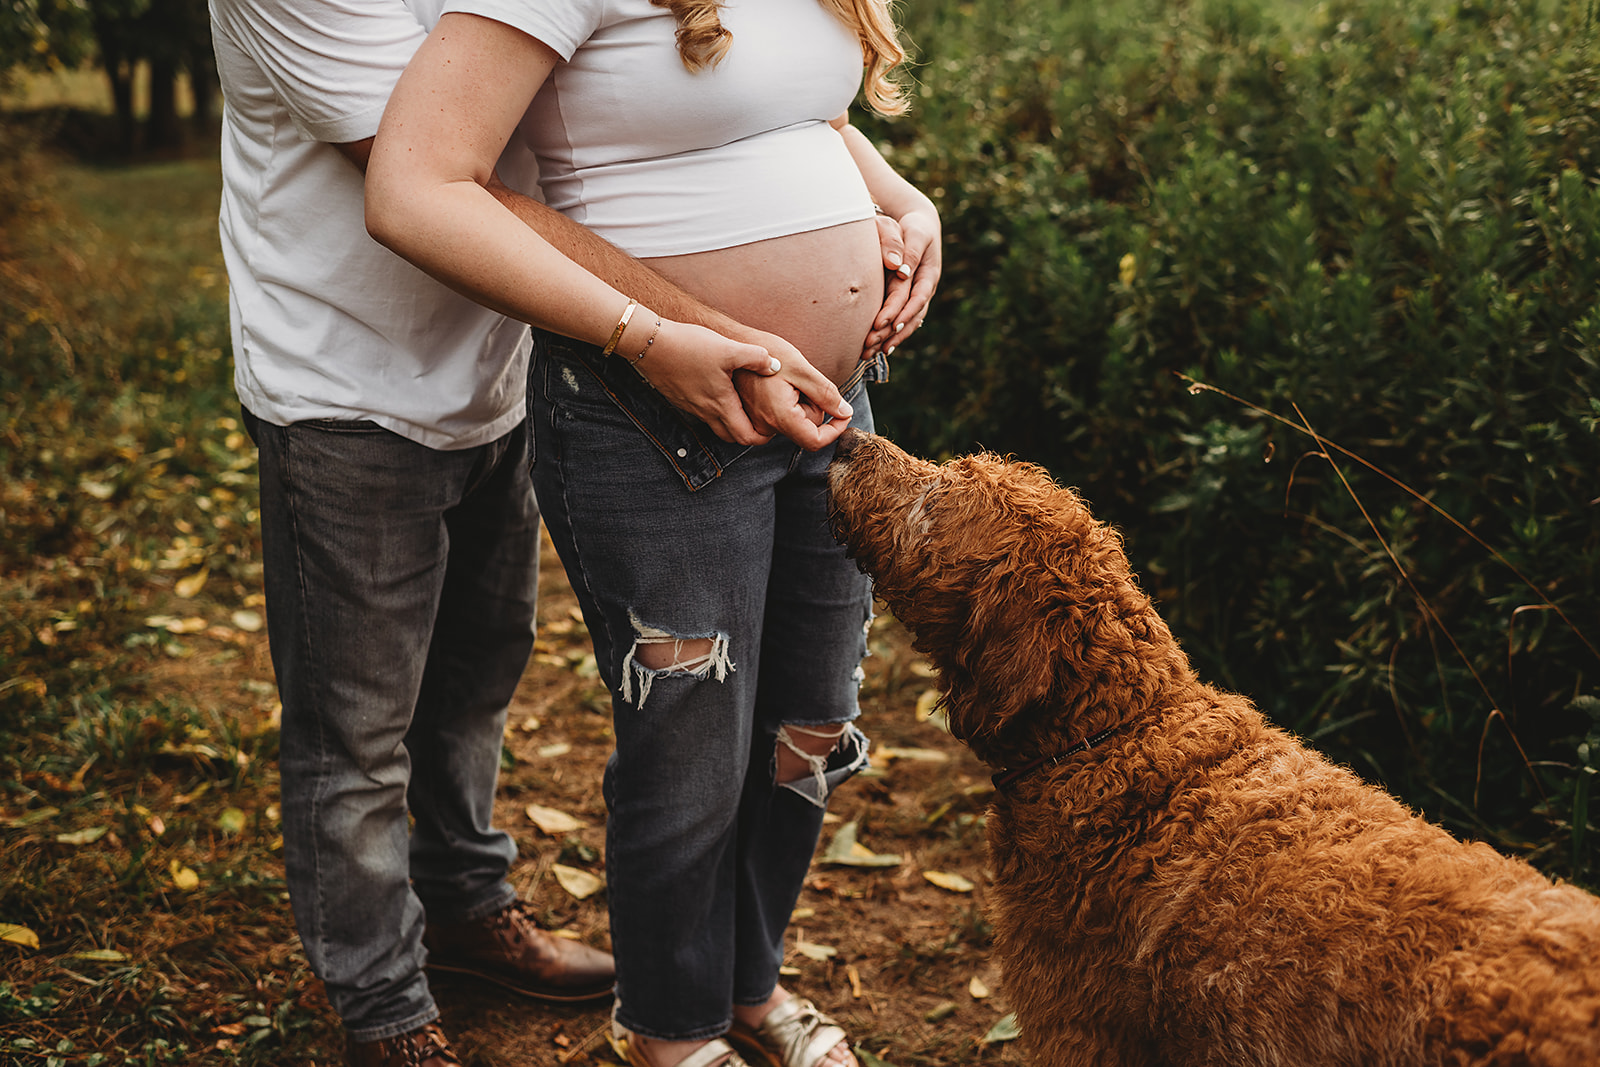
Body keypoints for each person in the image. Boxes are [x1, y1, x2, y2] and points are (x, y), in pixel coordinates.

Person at [207, 1, 906, 1064]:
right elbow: (437, 172)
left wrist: (895, 202)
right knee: (360, 727)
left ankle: (479, 909)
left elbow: (718, 105)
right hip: (348, 374)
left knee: (484, 678)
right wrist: (687, 330)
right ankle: (386, 1004)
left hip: (498, 362)